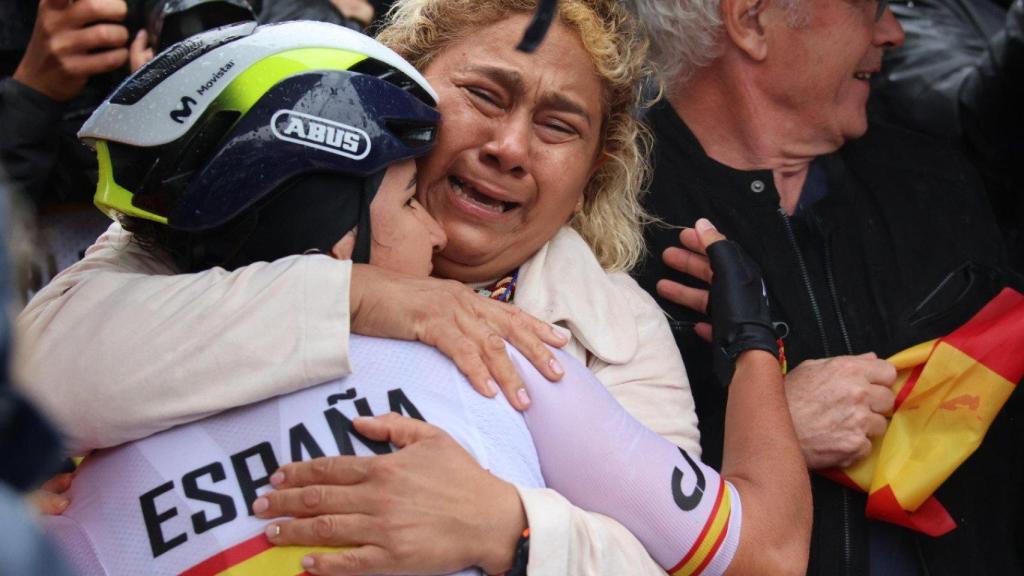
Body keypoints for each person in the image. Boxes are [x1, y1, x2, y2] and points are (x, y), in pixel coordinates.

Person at [33, 19, 809, 575]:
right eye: (484, 95)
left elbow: (714, 559)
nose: (509, 147)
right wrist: (360, 297)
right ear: (395, 93)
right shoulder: (194, 227)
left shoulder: (589, 336)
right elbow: (38, 378)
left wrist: (511, 531)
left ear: (588, 182)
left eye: (557, 127)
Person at [627, 0, 1023, 574]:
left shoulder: (936, 183)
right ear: (751, 20)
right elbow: (557, 490)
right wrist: (765, 433)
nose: (893, 32)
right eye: (869, 7)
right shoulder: (612, 213)